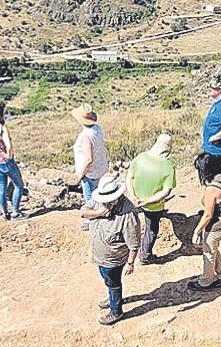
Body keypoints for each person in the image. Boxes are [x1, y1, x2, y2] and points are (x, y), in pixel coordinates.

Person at [81, 175, 140, 325]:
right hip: (100, 256)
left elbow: (134, 243)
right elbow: (84, 212)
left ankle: (116, 311)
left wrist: (130, 263)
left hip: (114, 259)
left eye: (108, 202)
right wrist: (99, 213)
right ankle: (113, 297)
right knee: (108, 280)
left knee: (113, 282)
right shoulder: (99, 200)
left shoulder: (128, 214)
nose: (104, 204)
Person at [126, 134, 177, 265]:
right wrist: (147, 201)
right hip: (153, 206)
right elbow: (167, 191)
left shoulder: (140, 158)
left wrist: (133, 196)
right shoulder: (168, 165)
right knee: (152, 229)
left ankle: (126, 248)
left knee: (130, 224)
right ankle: (145, 256)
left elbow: (129, 178)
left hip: (135, 200)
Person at [189, 157, 221, 291]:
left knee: (208, 252)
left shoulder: (211, 190)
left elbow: (208, 215)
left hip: (215, 226)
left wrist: (197, 231)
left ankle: (206, 282)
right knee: (213, 248)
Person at [0, 103, 27, 220]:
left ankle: (4, 213)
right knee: (19, 185)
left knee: (2, 186)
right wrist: (9, 156)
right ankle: (16, 212)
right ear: (0, 115)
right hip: (6, 161)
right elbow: (8, 146)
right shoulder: (2, 129)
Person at [71, 103, 110, 231]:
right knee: (99, 194)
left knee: (89, 198)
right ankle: (103, 212)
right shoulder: (98, 128)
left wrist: (80, 174)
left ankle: (91, 220)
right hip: (100, 167)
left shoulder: (85, 136)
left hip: (90, 172)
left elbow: (88, 159)